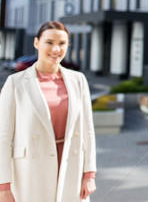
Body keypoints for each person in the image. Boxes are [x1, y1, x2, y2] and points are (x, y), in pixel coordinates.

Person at [0, 21, 97, 202]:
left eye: (62, 44)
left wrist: (89, 174)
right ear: (36, 43)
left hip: (70, 166)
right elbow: (3, 138)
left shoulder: (78, 80)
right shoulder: (16, 83)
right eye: (50, 42)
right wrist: (3, 186)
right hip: (30, 172)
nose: (56, 49)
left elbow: (88, 130)